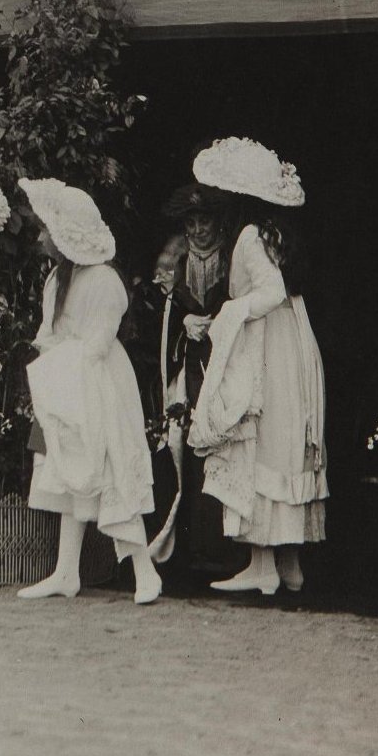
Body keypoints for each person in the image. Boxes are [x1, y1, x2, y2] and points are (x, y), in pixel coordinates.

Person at [186, 137, 327, 595]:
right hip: (293, 339)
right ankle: (290, 563)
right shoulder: (280, 232)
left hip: (269, 342)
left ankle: (263, 563)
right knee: (287, 442)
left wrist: (230, 312)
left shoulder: (249, 235)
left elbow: (268, 293)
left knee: (263, 441)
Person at [14, 177, 162, 606]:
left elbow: (97, 344)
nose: (41, 237)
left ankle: (145, 570)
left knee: (112, 468)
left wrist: (63, 362)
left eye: (47, 230)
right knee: (65, 468)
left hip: (98, 381)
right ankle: (66, 571)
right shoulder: (56, 280)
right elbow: (49, 333)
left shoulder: (104, 282)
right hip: (65, 383)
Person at [146, 182, 234, 577]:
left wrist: (220, 323)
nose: (199, 231)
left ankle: (221, 548)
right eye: (192, 223)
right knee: (183, 444)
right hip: (186, 364)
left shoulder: (233, 257)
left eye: (206, 222)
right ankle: (186, 548)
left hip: (224, 362)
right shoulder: (173, 257)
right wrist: (181, 320)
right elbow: (152, 312)